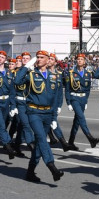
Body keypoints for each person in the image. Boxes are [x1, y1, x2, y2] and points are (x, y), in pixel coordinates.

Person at [20, 50, 65, 182]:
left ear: (47, 60)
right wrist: (27, 65)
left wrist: (53, 116)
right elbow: (17, 81)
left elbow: (55, 96)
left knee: (40, 144)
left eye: (41, 57)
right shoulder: (31, 75)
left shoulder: (53, 76)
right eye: (37, 57)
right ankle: (52, 167)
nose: (38, 59)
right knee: (41, 138)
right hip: (34, 112)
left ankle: (30, 172)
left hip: (47, 113)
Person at [64, 53, 99, 150]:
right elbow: (67, 89)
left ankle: (71, 142)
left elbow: (88, 89)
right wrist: (68, 102)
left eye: (81, 59)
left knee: (77, 121)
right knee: (81, 117)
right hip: (74, 98)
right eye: (78, 59)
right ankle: (90, 138)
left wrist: (86, 101)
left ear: (84, 61)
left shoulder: (88, 73)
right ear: (76, 61)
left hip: (83, 99)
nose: (79, 60)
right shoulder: (70, 73)